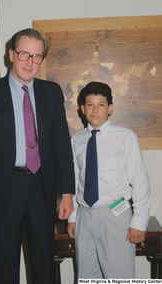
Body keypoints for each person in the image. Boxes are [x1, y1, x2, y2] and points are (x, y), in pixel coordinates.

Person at [0, 28, 75, 284]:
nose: (30, 62)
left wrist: (68, 193)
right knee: (3, 270)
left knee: (44, 269)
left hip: (42, 189)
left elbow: (62, 147)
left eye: (36, 56)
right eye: (24, 54)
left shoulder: (52, 92)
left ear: (42, 60)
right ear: (11, 54)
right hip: (4, 190)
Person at [67, 81, 151, 279]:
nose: (95, 110)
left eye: (101, 104)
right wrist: (73, 217)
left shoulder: (126, 137)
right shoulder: (76, 140)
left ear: (110, 108)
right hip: (85, 217)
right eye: (90, 104)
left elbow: (140, 182)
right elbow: (75, 183)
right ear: (82, 108)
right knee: (87, 277)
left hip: (115, 213)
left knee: (119, 276)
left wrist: (139, 221)